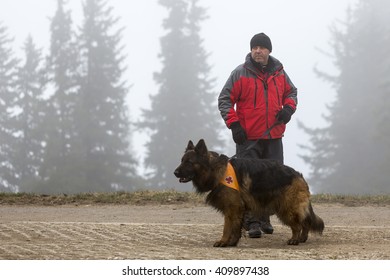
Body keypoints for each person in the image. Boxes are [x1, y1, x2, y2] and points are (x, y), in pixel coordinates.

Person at [218, 32, 298, 238]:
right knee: (247, 182)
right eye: (254, 47)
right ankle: (251, 221)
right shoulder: (240, 73)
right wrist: (234, 124)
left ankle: (264, 219)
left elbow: (292, 93)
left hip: (273, 136)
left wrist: (288, 109)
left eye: (262, 47)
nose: (257, 51)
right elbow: (225, 98)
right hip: (248, 139)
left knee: (272, 180)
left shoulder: (280, 73)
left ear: (269, 50)